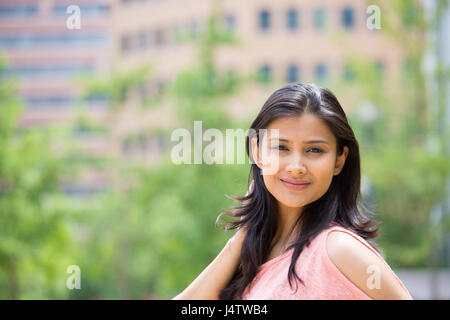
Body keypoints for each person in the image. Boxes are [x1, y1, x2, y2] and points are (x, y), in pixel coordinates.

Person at [173, 82, 412, 300]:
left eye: (315, 150)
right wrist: (245, 234)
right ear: (257, 152)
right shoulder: (253, 253)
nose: (296, 167)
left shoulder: (340, 249)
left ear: (339, 160)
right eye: (281, 147)